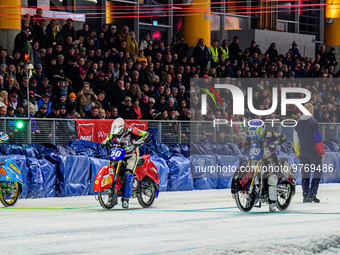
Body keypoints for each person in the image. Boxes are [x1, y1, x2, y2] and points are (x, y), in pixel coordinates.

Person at [101, 118, 150, 208]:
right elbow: (108, 138)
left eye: (118, 133)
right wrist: (105, 142)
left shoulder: (132, 130)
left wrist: (141, 141)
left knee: (128, 174)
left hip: (132, 154)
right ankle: (112, 197)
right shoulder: (114, 132)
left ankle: (126, 199)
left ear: (123, 129)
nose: (116, 135)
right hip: (119, 153)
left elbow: (146, 134)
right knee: (111, 170)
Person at [239, 119, 286, 212]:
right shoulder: (250, 137)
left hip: (270, 158)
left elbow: (283, 137)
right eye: (253, 133)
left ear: (262, 130)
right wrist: (242, 144)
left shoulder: (270, 134)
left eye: (257, 132)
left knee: (271, 177)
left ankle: (272, 202)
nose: (255, 135)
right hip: (256, 158)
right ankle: (254, 192)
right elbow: (246, 143)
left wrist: (275, 143)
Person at [294, 103, 325, 203]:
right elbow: (318, 139)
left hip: (303, 152)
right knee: (317, 172)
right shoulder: (313, 122)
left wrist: (297, 152)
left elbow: (295, 139)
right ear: (310, 110)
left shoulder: (298, 123)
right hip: (313, 151)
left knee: (305, 173)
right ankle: (312, 193)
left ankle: (305, 195)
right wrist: (322, 152)